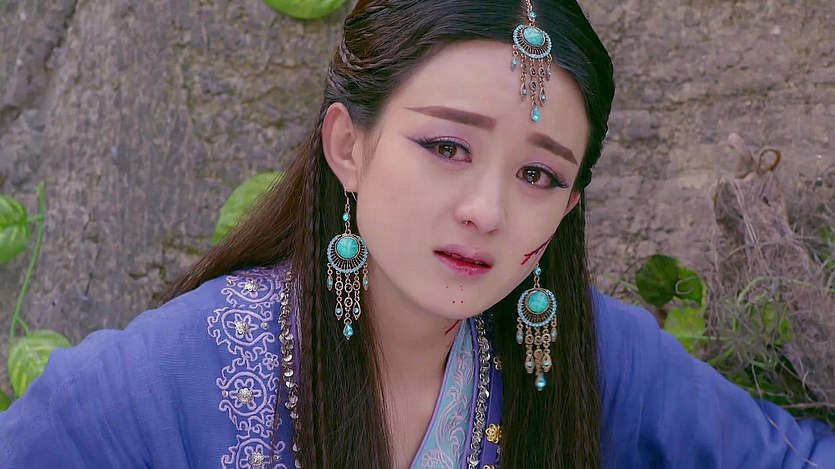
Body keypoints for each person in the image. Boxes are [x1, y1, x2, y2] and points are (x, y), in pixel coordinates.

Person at [1, 0, 833, 467]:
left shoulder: (591, 354)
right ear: (347, 146)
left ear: (568, 207)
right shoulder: (152, 386)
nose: (485, 210)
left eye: (537, 175)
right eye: (446, 147)